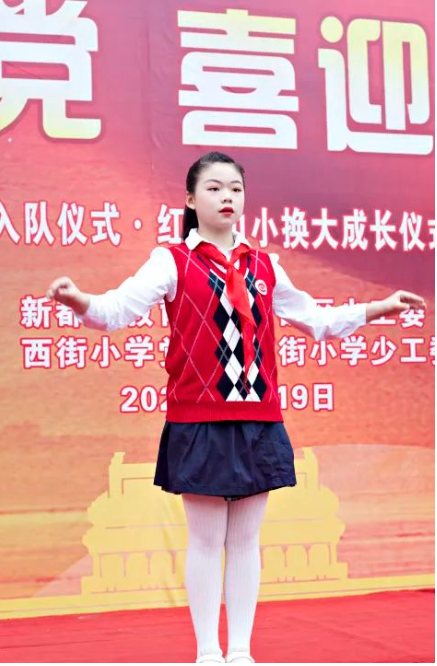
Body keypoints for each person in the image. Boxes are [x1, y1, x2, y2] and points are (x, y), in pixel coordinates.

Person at [46, 151, 426, 664]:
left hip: (258, 419)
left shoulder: (264, 266)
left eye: (235, 189)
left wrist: (379, 308)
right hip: (199, 419)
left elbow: (316, 321)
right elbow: (116, 311)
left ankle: (241, 651)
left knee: (246, 542)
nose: (227, 198)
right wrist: (77, 300)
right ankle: (208, 651)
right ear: (190, 199)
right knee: (205, 542)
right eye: (214, 188)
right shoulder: (171, 261)